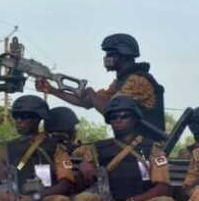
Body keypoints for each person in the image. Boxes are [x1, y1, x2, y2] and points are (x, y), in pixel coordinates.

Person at [35, 33, 165, 131]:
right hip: (131, 142)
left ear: (122, 55)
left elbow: (111, 112)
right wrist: (52, 90)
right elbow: (86, 102)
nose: (106, 59)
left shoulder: (138, 81)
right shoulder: (121, 82)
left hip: (147, 144)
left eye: (109, 54)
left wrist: (92, 95)